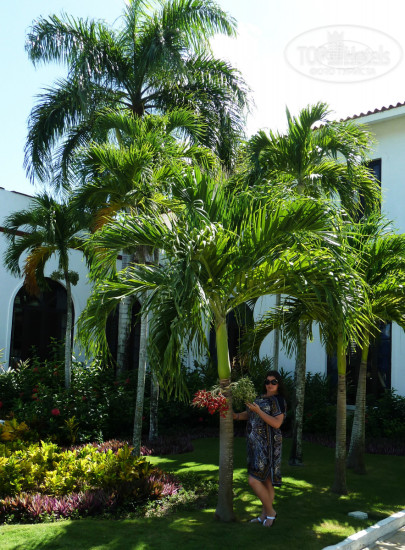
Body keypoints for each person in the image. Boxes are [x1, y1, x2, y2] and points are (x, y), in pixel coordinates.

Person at [233, 370, 287, 527]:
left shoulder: (278, 400)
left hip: (269, 445)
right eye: (267, 381)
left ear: (278, 384)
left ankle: (271, 513)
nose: (270, 384)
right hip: (255, 445)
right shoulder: (260, 398)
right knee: (266, 481)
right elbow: (250, 414)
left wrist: (259, 411)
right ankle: (264, 515)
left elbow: (277, 423)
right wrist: (236, 416)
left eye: (273, 382)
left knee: (253, 480)